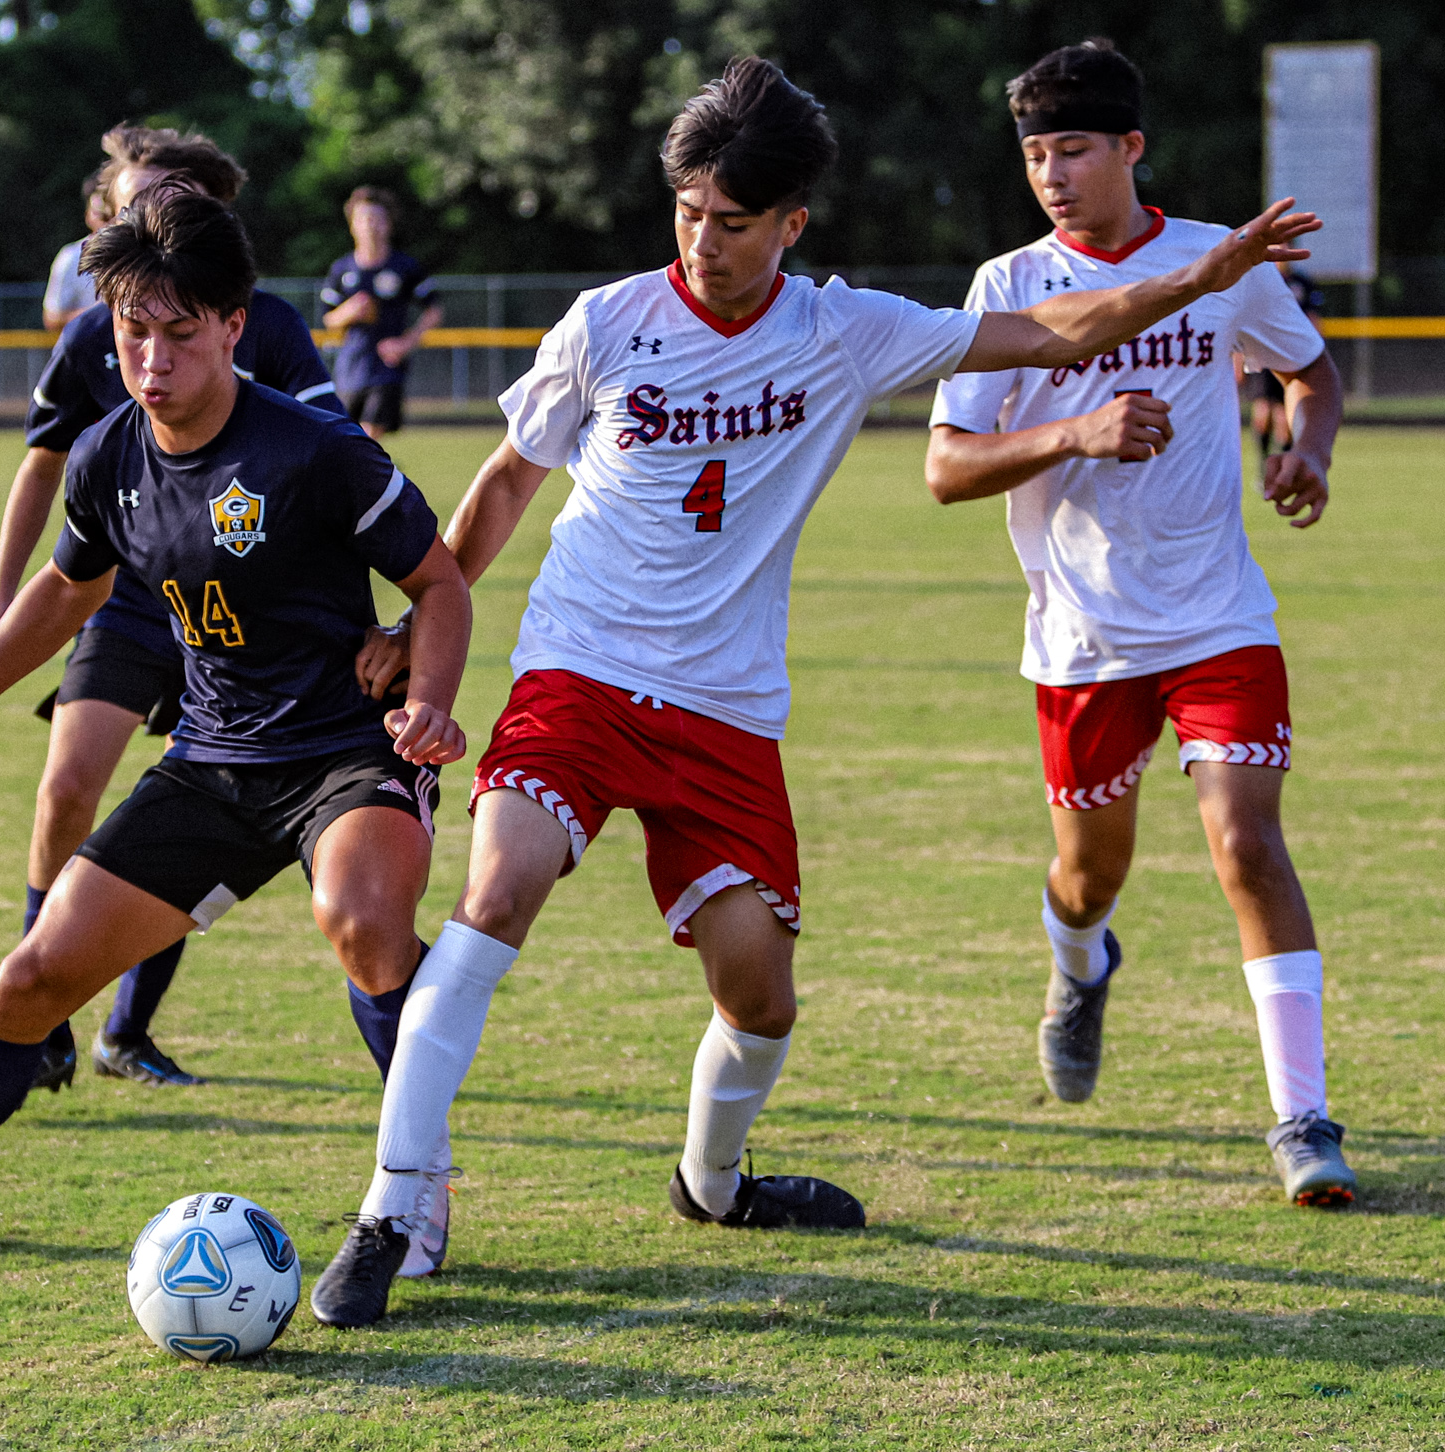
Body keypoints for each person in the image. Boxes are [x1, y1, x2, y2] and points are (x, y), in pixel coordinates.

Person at [307, 55, 1321, 1329]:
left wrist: (1198, 279)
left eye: (733, 223)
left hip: (727, 712)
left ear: (792, 222)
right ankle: (393, 1208)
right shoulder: (607, 319)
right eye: (686, 211)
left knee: (759, 995)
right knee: (495, 888)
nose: (702, 241)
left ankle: (712, 1182)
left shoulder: (843, 330)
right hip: (582, 671)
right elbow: (512, 477)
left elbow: (1058, 329)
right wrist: (426, 602)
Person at [0, 187, 472, 1267]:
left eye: (179, 333)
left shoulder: (315, 449)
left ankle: (412, 1192)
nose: (152, 359)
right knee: (31, 978)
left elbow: (440, 585)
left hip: (343, 752)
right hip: (209, 761)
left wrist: (426, 698)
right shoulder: (109, 454)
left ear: (234, 326)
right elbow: (65, 596)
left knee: (362, 921)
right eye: (131, 332)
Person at [923, 41, 1351, 1208]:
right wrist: (1074, 431)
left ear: (1129, 150)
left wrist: (1303, 449)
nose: (1051, 174)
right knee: (1084, 874)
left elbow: (1311, 372)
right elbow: (946, 469)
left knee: (1245, 845)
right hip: (1079, 638)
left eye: (1071, 149)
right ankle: (1078, 963)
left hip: (1216, 616)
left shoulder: (1217, 261)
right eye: (1032, 155)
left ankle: (1300, 1116)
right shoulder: (1004, 285)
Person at [0, 125, 346, 1096]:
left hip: (235, 603)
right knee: (66, 791)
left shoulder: (257, 321)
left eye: (171, 198)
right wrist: (1, 592)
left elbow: (333, 459)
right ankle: (39, 1015)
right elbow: (42, 463)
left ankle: (126, 1032)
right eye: (132, 201)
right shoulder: (96, 329)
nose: (150, 216)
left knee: (184, 806)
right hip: (124, 594)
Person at [320, 187, 442, 439]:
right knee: (348, 438)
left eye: (377, 218)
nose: (370, 225)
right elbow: (329, 319)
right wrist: (349, 311)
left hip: (387, 367)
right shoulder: (341, 270)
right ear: (352, 225)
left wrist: (406, 343)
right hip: (351, 367)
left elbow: (434, 310)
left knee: (369, 434)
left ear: (388, 224)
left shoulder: (404, 267)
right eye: (363, 218)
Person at [1251, 263, 1323, 458]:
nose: (1284, 247)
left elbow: (1312, 317)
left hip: (1290, 353)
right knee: (1264, 410)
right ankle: (1264, 463)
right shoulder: (1257, 279)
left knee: (1284, 415)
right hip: (1262, 350)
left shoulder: (1301, 282)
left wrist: (1315, 349)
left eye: (1288, 243)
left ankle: (1284, 462)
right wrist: (1237, 358)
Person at [43, 174, 112, 331]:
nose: (107, 222)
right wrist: (99, 314)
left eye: (111, 214)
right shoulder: (72, 257)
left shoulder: (144, 254)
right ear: (88, 214)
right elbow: (52, 318)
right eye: (100, 214)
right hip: (91, 350)